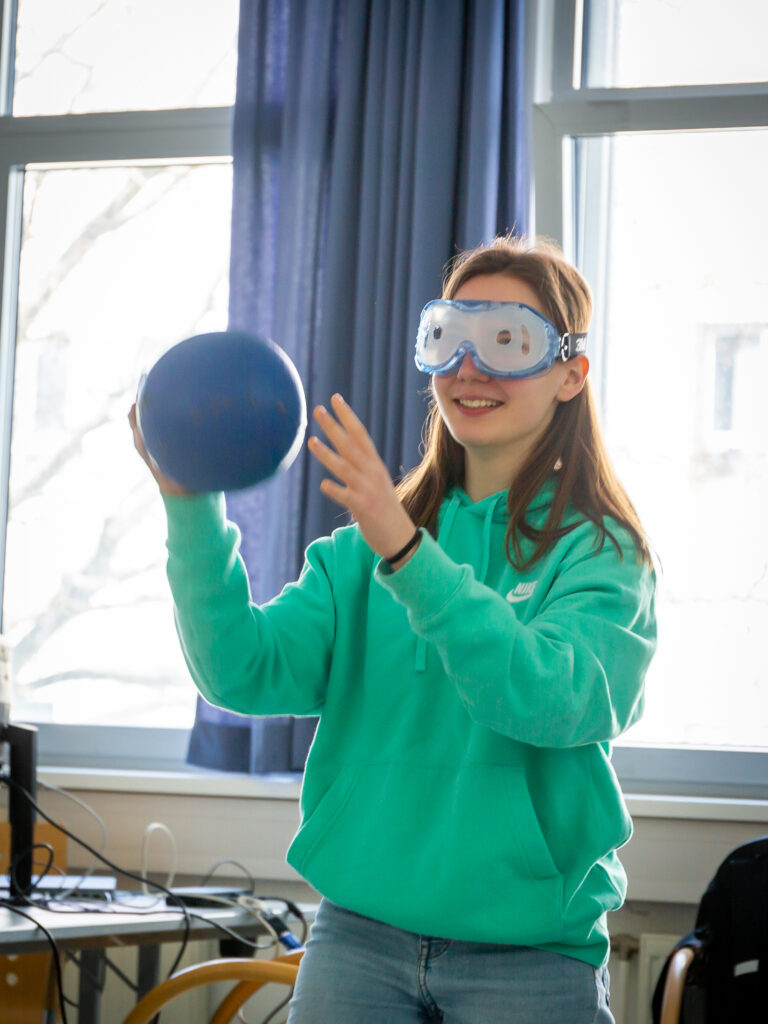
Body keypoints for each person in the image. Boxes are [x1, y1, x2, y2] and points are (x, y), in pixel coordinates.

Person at [129, 234, 657, 1023]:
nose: (470, 369)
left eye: (507, 341)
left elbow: (555, 701)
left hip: (531, 956)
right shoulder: (359, 552)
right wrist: (188, 502)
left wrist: (407, 552)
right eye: (450, 338)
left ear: (570, 373)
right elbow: (240, 670)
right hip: (358, 941)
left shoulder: (601, 553)